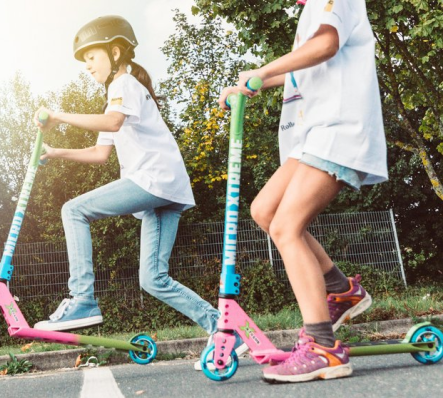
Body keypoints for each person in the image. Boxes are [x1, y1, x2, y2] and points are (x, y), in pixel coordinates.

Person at [219, 0, 387, 383]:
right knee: (264, 211)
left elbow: (325, 45)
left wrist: (263, 69)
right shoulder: (310, 11)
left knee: (286, 227)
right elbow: (308, 67)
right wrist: (256, 84)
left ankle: (323, 347)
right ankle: (341, 291)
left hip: (339, 128)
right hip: (314, 135)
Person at [32, 16, 227, 342]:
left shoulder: (123, 85)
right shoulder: (120, 96)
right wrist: (56, 152)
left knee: (73, 210)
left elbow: (110, 123)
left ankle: (82, 300)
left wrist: (58, 115)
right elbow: (100, 153)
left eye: (92, 57)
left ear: (116, 52)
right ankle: (221, 328)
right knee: (154, 280)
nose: (87, 66)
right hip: (168, 187)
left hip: (154, 180)